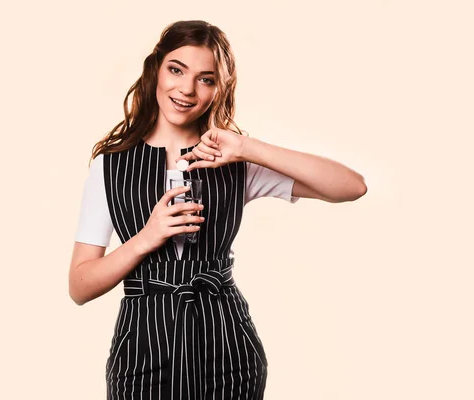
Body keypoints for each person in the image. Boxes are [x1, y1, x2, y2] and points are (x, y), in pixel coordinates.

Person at [69, 20, 367, 399]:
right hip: (142, 350)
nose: (187, 89)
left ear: (218, 90)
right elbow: (79, 286)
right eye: (176, 70)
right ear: (156, 70)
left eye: (206, 79)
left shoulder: (234, 161)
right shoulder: (110, 168)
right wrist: (147, 238)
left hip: (227, 348)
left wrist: (247, 148)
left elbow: (351, 186)